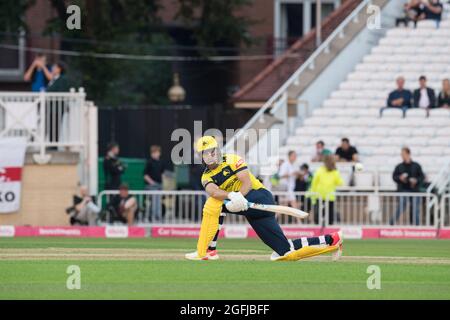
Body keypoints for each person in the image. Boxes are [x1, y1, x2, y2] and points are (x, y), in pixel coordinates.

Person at [185, 136, 343, 261]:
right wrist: (231, 196)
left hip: (260, 196)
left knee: (213, 206)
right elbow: (213, 191)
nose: (209, 155)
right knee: (285, 252)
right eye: (204, 153)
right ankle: (332, 240)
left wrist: (238, 195)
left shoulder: (232, 159)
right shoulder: (206, 176)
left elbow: (246, 182)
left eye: (211, 151)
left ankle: (207, 251)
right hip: (249, 209)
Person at [390, 147, 425, 226]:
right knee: (401, 206)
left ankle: (416, 226)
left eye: (404, 154)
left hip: (415, 190)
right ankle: (391, 223)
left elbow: (422, 177)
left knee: (415, 209)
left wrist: (416, 180)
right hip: (403, 189)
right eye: (401, 154)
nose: (402, 156)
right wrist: (400, 178)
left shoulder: (416, 165)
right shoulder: (399, 166)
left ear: (408, 154)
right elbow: (394, 177)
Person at [310, 155, 344, 225]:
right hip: (329, 196)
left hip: (320, 195)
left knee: (318, 215)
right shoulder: (334, 171)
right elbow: (340, 182)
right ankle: (329, 232)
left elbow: (314, 183)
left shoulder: (320, 170)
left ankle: (318, 230)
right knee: (329, 216)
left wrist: (313, 194)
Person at [143, 145, 166, 222]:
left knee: (158, 202)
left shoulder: (161, 162)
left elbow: (162, 174)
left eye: (156, 152)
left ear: (159, 153)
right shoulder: (149, 162)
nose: (155, 154)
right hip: (151, 186)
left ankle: (158, 217)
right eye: (153, 153)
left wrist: (162, 184)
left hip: (159, 185)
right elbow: (145, 175)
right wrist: (152, 182)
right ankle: (152, 217)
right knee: (154, 201)